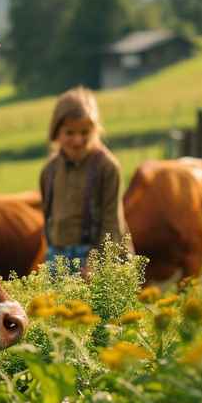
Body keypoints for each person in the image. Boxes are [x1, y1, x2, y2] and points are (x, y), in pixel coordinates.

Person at [39, 86, 129, 277]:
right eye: (70, 133)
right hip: (57, 254)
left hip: (95, 254)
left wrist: (97, 263)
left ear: (95, 130)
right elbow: (48, 218)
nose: (78, 140)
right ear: (56, 132)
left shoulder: (106, 166)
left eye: (85, 132)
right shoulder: (50, 170)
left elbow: (112, 221)